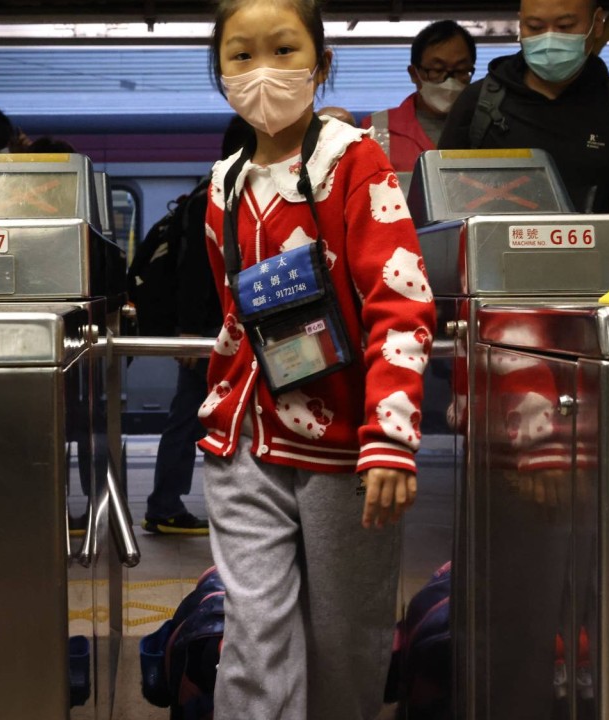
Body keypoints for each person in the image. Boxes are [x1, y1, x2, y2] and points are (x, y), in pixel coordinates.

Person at [201, 1, 436, 718]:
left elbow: (403, 300)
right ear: (219, 71)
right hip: (243, 438)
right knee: (253, 638)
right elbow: (236, 316)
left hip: (345, 449)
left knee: (347, 645)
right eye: (241, 55)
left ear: (320, 64)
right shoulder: (223, 186)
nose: (262, 71)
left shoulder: (357, 164)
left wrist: (390, 441)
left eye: (282, 49)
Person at [439, 0, 609, 213]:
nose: (549, 39)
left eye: (565, 26)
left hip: (597, 253)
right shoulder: (478, 103)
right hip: (497, 252)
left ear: (597, 24)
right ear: (521, 25)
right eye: (535, 27)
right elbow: (444, 195)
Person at [142, 116, 253, 536]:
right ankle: (165, 503)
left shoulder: (224, 191)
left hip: (222, 325)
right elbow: (195, 270)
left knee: (195, 415)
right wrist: (188, 331)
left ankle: (171, 501)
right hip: (208, 330)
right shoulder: (214, 195)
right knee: (189, 415)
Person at [360, 20, 476, 172]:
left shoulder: (487, 126)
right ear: (414, 74)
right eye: (437, 69)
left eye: (461, 70)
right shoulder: (377, 126)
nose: (449, 81)